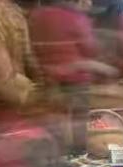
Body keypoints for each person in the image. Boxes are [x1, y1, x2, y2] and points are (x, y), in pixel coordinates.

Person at [29, 0, 115, 155]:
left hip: (47, 78)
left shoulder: (37, 15)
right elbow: (90, 48)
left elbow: (31, 47)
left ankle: (57, 156)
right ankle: (78, 154)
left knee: (54, 122)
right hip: (76, 79)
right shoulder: (75, 17)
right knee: (78, 121)